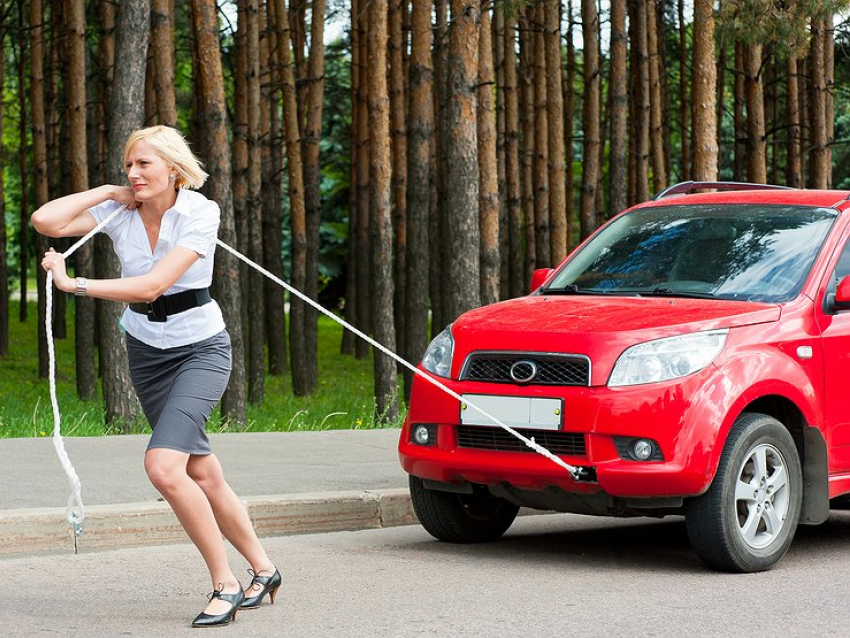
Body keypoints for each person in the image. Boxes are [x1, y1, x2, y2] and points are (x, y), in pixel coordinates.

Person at [33, 125, 281, 628]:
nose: (133, 173)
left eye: (144, 163)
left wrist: (72, 282)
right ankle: (265, 569)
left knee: (165, 468)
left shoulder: (200, 212)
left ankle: (225, 583)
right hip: (148, 353)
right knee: (202, 472)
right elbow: (46, 220)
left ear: (173, 167)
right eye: (128, 164)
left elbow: (152, 286)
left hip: (201, 350)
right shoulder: (117, 208)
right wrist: (108, 192)